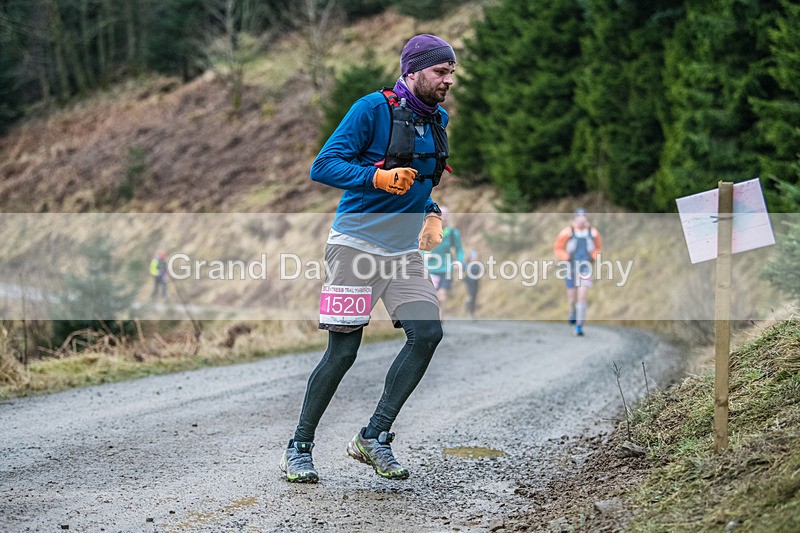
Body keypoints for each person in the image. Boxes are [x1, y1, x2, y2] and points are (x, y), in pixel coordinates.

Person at [280, 34, 457, 483]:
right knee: (343, 352)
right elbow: (323, 165)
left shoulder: (438, 120)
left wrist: (432, 213)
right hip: (354, 247)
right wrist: (377, 178)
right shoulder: (370, 109)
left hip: (403, 254)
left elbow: (420, 181)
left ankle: (373, 437)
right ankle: (298, 447)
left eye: (451, 72)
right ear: (414, 70)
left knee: (427, 333)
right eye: (440, 71)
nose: (448, 80)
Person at [553, 208, 602, 336]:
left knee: (582, 295)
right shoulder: (567, 232)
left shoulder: (593, 233)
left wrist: (594, 256)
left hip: (585, 267)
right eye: (579, 217)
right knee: (572, 297)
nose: (581, 219)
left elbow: (598, 248)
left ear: (587, 218)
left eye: (584, 216)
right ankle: (572, 310)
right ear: (574, 219)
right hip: (570, 266)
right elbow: (558, 248)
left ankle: (579, 326)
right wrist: (565, 257)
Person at [422, 205, 463, 317]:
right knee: (432, 295)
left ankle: (440, 318)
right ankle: (432, 317)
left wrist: (459, 262)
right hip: (431, 269)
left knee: (442, 296)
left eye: (446, 215)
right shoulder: (429, 230)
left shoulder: (453, 234)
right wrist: (425, 254)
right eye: (441, 215)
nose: (443, 217)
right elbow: (422, 247)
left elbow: (459, 250)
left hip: (446, 268)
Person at [463, 250, 481, 319]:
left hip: (475, 283)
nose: (475, 258)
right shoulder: (466, 264)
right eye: (473, 257)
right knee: (471, 297)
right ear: (470, 258)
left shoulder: (478, 265)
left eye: (476, 257)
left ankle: (470, 310)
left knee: (474, 297)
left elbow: (479, 274)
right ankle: (471, 313)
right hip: (469, 282)